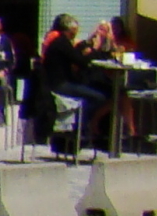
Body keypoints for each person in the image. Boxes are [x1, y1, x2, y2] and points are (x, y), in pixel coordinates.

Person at [40, 14, 110, 155]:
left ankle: (82, 126)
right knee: (99, 97)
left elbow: (75, 56)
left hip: (58, 82)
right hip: (60, 85)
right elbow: (81, 62)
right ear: (69, 30)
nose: (76, 33)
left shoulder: (59, 41)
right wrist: (95, 49)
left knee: (95, 92)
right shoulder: (62, 42)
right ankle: (82, 127)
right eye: (75, 30)